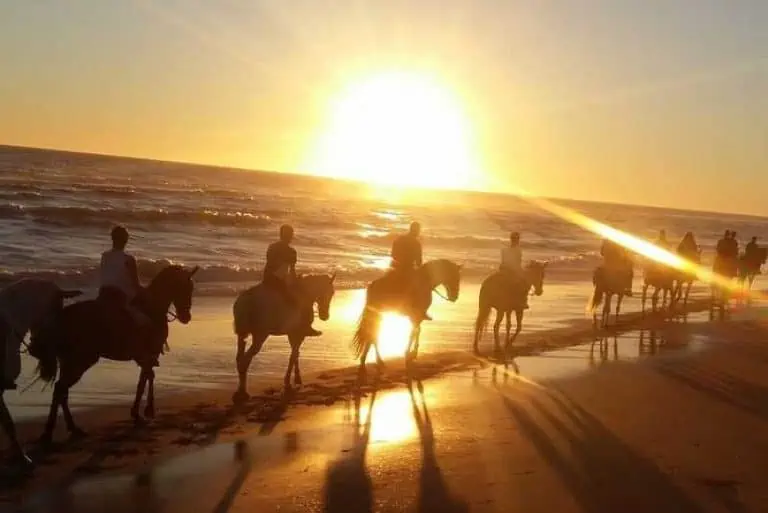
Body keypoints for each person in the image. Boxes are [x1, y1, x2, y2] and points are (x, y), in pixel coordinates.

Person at [263, 224, 321, 336]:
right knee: (300, 300)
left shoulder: (272, 247)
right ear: (289, 236)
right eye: (289, 235)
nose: (290, 237)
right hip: (278, 281)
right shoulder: (291, 251)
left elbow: (270, 265)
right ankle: (305, 327)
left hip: (267, 279)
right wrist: (293, 281)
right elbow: (290, 270)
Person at [390, 221, 431, 321]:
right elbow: (419, 262)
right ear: (415, 230)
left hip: (395, 266)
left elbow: (393, 254)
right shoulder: (416, 243)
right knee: (421, 286)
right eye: (418, 230)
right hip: (407, 268)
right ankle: (421, 311)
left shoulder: (400, 239)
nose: (418, 232)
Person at [500, 232, 528, 309]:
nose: (517, 241)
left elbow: (503, 261)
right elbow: (518, 262)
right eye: (517, 239)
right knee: (524, 282)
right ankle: (523, 301)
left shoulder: (504, 249)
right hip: (512, 270)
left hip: (503, 269)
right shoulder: (518, 250)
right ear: (517, 240)